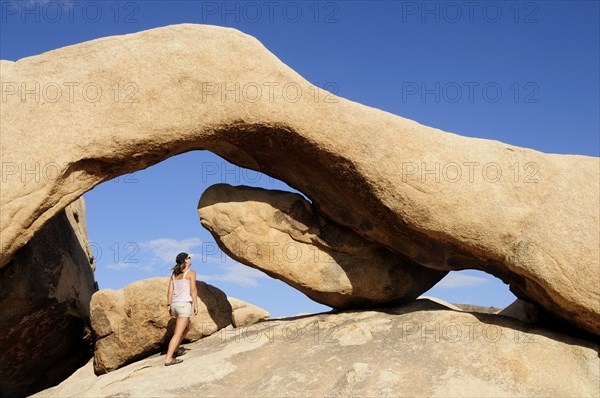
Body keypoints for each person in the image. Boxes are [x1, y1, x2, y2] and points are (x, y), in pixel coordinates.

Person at [164, 252, 198, 366]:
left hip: (174, 305)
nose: (190, 258)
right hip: (184, 305)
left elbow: (170, 291)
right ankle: (168, 359)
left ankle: (177, 349)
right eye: (189, 257)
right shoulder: (191, 273)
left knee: (187, 327)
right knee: (177, 334)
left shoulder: (174, 274)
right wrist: (196, 305)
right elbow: (193, 290)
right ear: (185, 261)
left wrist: (169, 305)